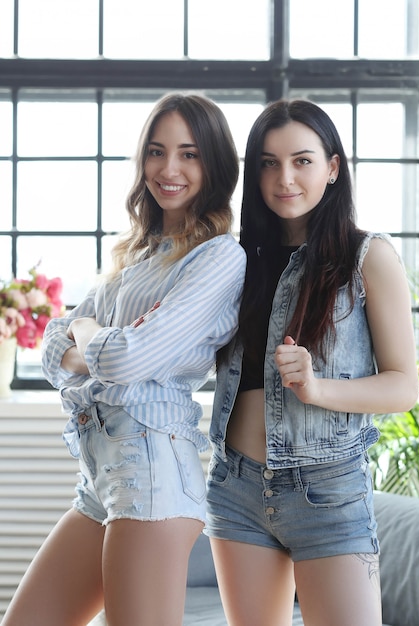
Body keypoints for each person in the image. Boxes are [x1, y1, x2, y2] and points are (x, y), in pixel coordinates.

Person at [2, 93, 246, 626]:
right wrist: (94, 340)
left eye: (189, 153)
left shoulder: (220, 257)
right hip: (101, 476)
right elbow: (52, 345)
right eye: (156, 152)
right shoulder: (138, 253)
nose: (169, 169)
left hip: (153, 475)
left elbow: (125, 359)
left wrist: (88, 333)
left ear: (216, 164)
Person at [205, 99, 419, 626]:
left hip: (328, 491)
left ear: (332, 167)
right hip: (236, 490)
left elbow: (403, 386)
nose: (285, 178)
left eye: (302, 160)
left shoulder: (369, 257)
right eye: (268, 163)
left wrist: (319, 389)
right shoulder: (235, 261)